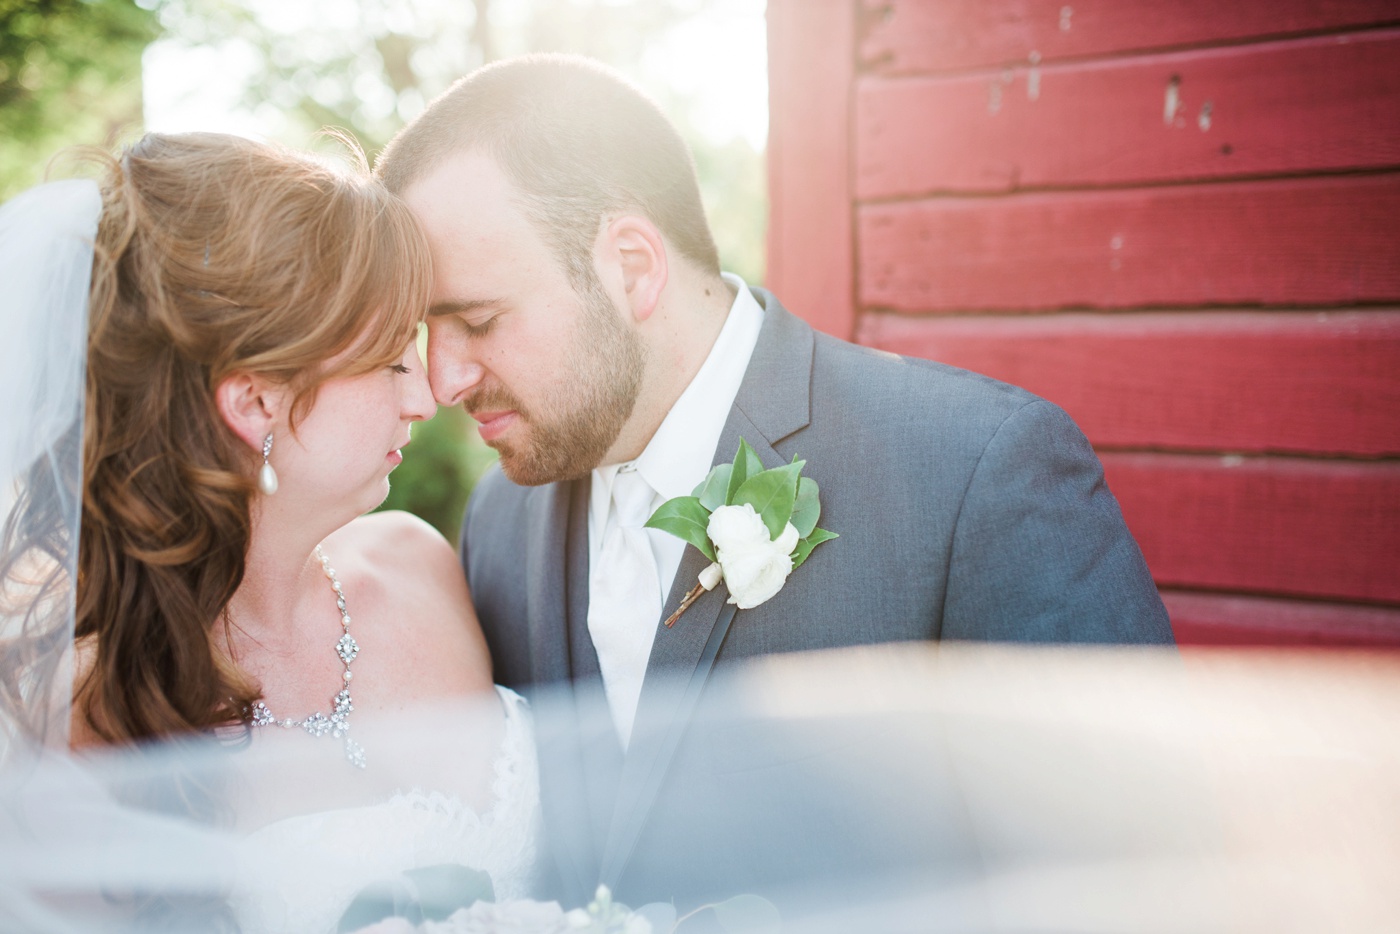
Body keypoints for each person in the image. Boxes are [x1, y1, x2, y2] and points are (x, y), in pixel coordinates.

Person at [375, 53, 1176, 907]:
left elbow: (1135, 875)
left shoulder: (976, 474)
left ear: (633, 267)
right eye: (426, 331)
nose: (441, 381)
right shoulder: (500, 519)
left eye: (477, 320)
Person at [0, 132, 541, 932]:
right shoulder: (82, 712)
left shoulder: (421, 567)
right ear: (255, 403)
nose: (425, 397)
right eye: (392, 360)